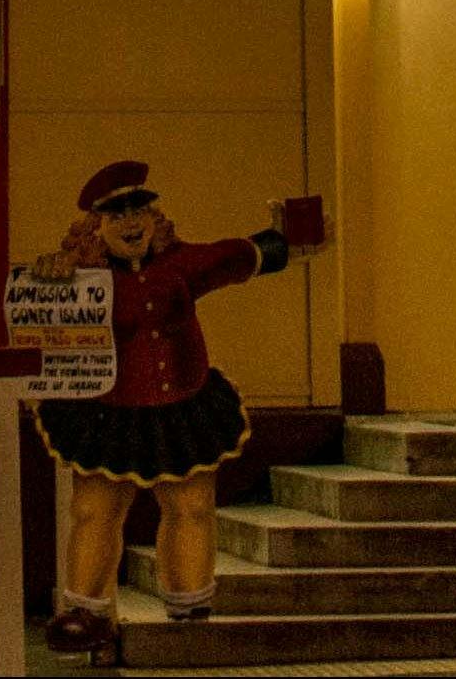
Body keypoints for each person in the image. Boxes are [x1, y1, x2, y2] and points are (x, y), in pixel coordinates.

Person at [32, 160, 321, 649]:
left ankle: (190, 604)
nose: (130, 223)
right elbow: (40, 309)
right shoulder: (83, 277)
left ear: (154, 218)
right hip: (109, 410)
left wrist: (287, 239)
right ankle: (86, 607)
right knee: (95, 508)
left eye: (138, 211)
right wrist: (48, 276)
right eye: (116, 215)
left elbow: (230, 256)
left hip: (183, 406)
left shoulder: (181, 265)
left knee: (189, 507)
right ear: (95, 227)